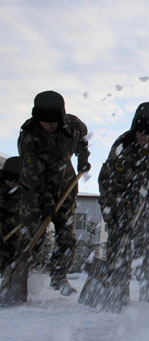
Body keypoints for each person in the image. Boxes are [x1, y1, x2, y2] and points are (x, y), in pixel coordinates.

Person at [79, 102, 149, 311]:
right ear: (136, 131)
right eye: (142, 136)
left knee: (147, 244)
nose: (147, 141)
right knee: (119, 245)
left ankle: (147, 287)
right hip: (120, 199)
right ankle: (117, 288)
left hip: (146, 200)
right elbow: (107, 181)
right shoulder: (123, 146)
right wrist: (112, 213)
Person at [0, 91, 90, 307]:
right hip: (35, 191)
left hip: (65, 185)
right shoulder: (29, 136)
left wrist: (83, 157)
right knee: (34, 235)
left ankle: (59, 277)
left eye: (53, 123)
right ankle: (22, 277)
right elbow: (33, 176)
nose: (49, 127)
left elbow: (83, 139)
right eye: (44, 123)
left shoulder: (73, 125)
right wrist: (47, 203)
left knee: (66, 235)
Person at [0, 157, 22, 277]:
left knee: (12, 252)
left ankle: (7, 279)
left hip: (13, 225)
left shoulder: (23, 188)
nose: (15, 185)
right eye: (12, 182)